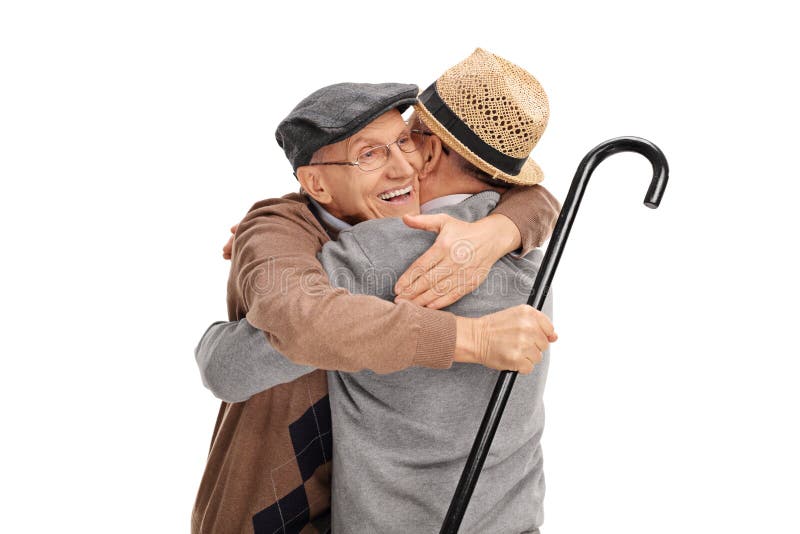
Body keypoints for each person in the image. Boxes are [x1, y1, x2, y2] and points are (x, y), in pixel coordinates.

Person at [195, 49, 558, 533]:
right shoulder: (535, 263)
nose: (401, 167)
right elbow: (539, 203)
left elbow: (230, 364)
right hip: (285, 510)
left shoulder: (389, 251)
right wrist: (471, 333)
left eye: (405, 140)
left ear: (429, 151)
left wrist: (500, 230)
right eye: (370, 153)